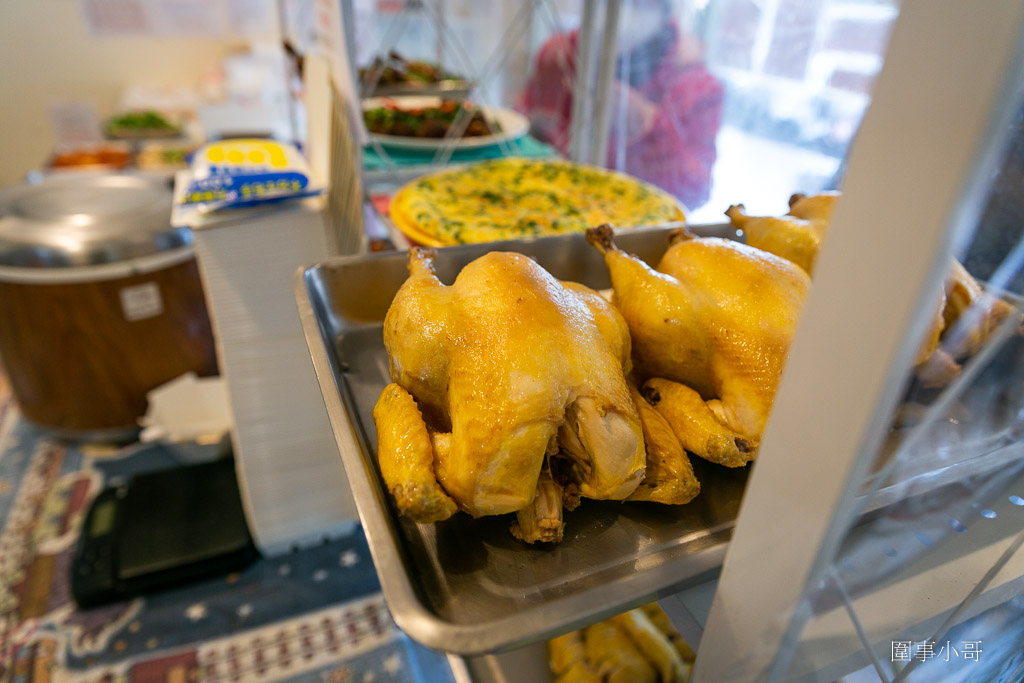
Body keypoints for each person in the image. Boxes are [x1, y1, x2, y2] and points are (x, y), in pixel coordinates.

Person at [519, 0, 723, 211]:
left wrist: (649, 125)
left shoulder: (697, 84)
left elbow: (696, 190)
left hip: (634, 223)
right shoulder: (557, 55)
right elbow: (517, 133)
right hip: (545, 210)